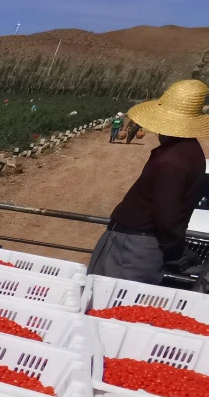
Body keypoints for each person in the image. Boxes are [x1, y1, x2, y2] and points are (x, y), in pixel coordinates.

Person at [88, 79, 209, 283]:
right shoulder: (188, 152)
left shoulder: (172, 161)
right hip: (136, 243)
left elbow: (167, 213)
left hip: (134, 246)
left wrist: (174, 248)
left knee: (110, 298)